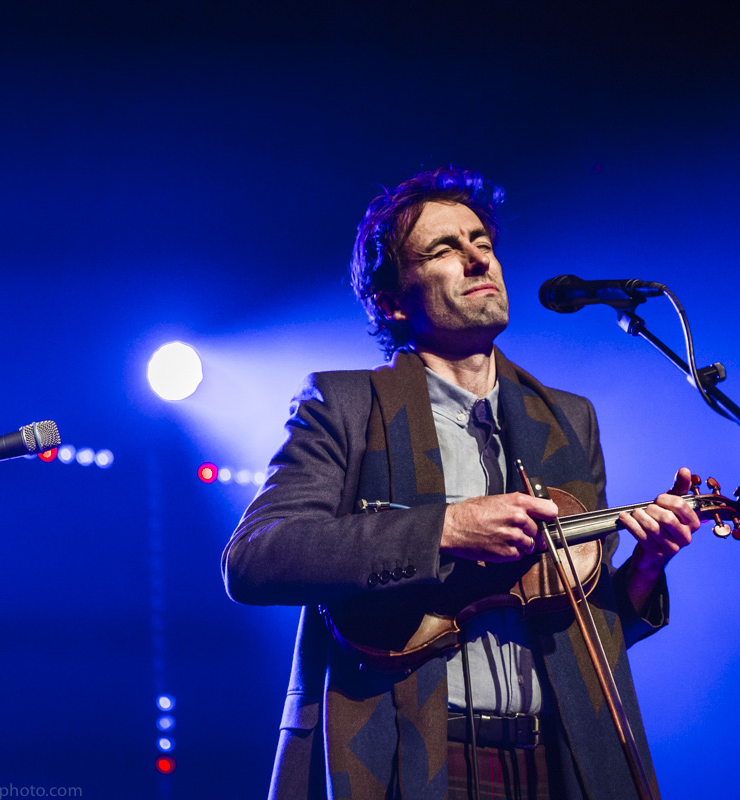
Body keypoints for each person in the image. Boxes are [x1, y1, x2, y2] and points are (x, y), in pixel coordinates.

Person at [223, 166, 699, 800]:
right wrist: (443, 529)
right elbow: (256, 560)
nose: (479, 261)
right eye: (444, 249)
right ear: (393, 299)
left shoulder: (568, 418)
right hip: (413, 756)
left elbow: (582, 627)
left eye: (482, 243)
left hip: (559, 760)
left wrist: (643, 570)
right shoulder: (343, 404)